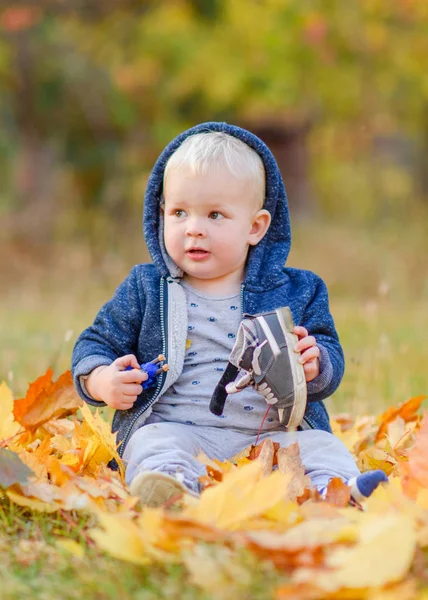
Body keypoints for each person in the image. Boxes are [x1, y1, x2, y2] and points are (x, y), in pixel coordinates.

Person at [72, 122, 386, 507]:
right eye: (179, 212)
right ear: (162, 214)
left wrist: (315, 363)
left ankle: (333, 491)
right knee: (151, 442)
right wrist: (102, 380)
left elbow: (329, 357)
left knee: (320, 445)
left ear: (255, 227)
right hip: (182, 433)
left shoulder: (298, 290)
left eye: (215, 215)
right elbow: (95, 343)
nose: (194, 229)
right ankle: (171, 487)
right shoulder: (146, 287)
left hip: (271, 441)